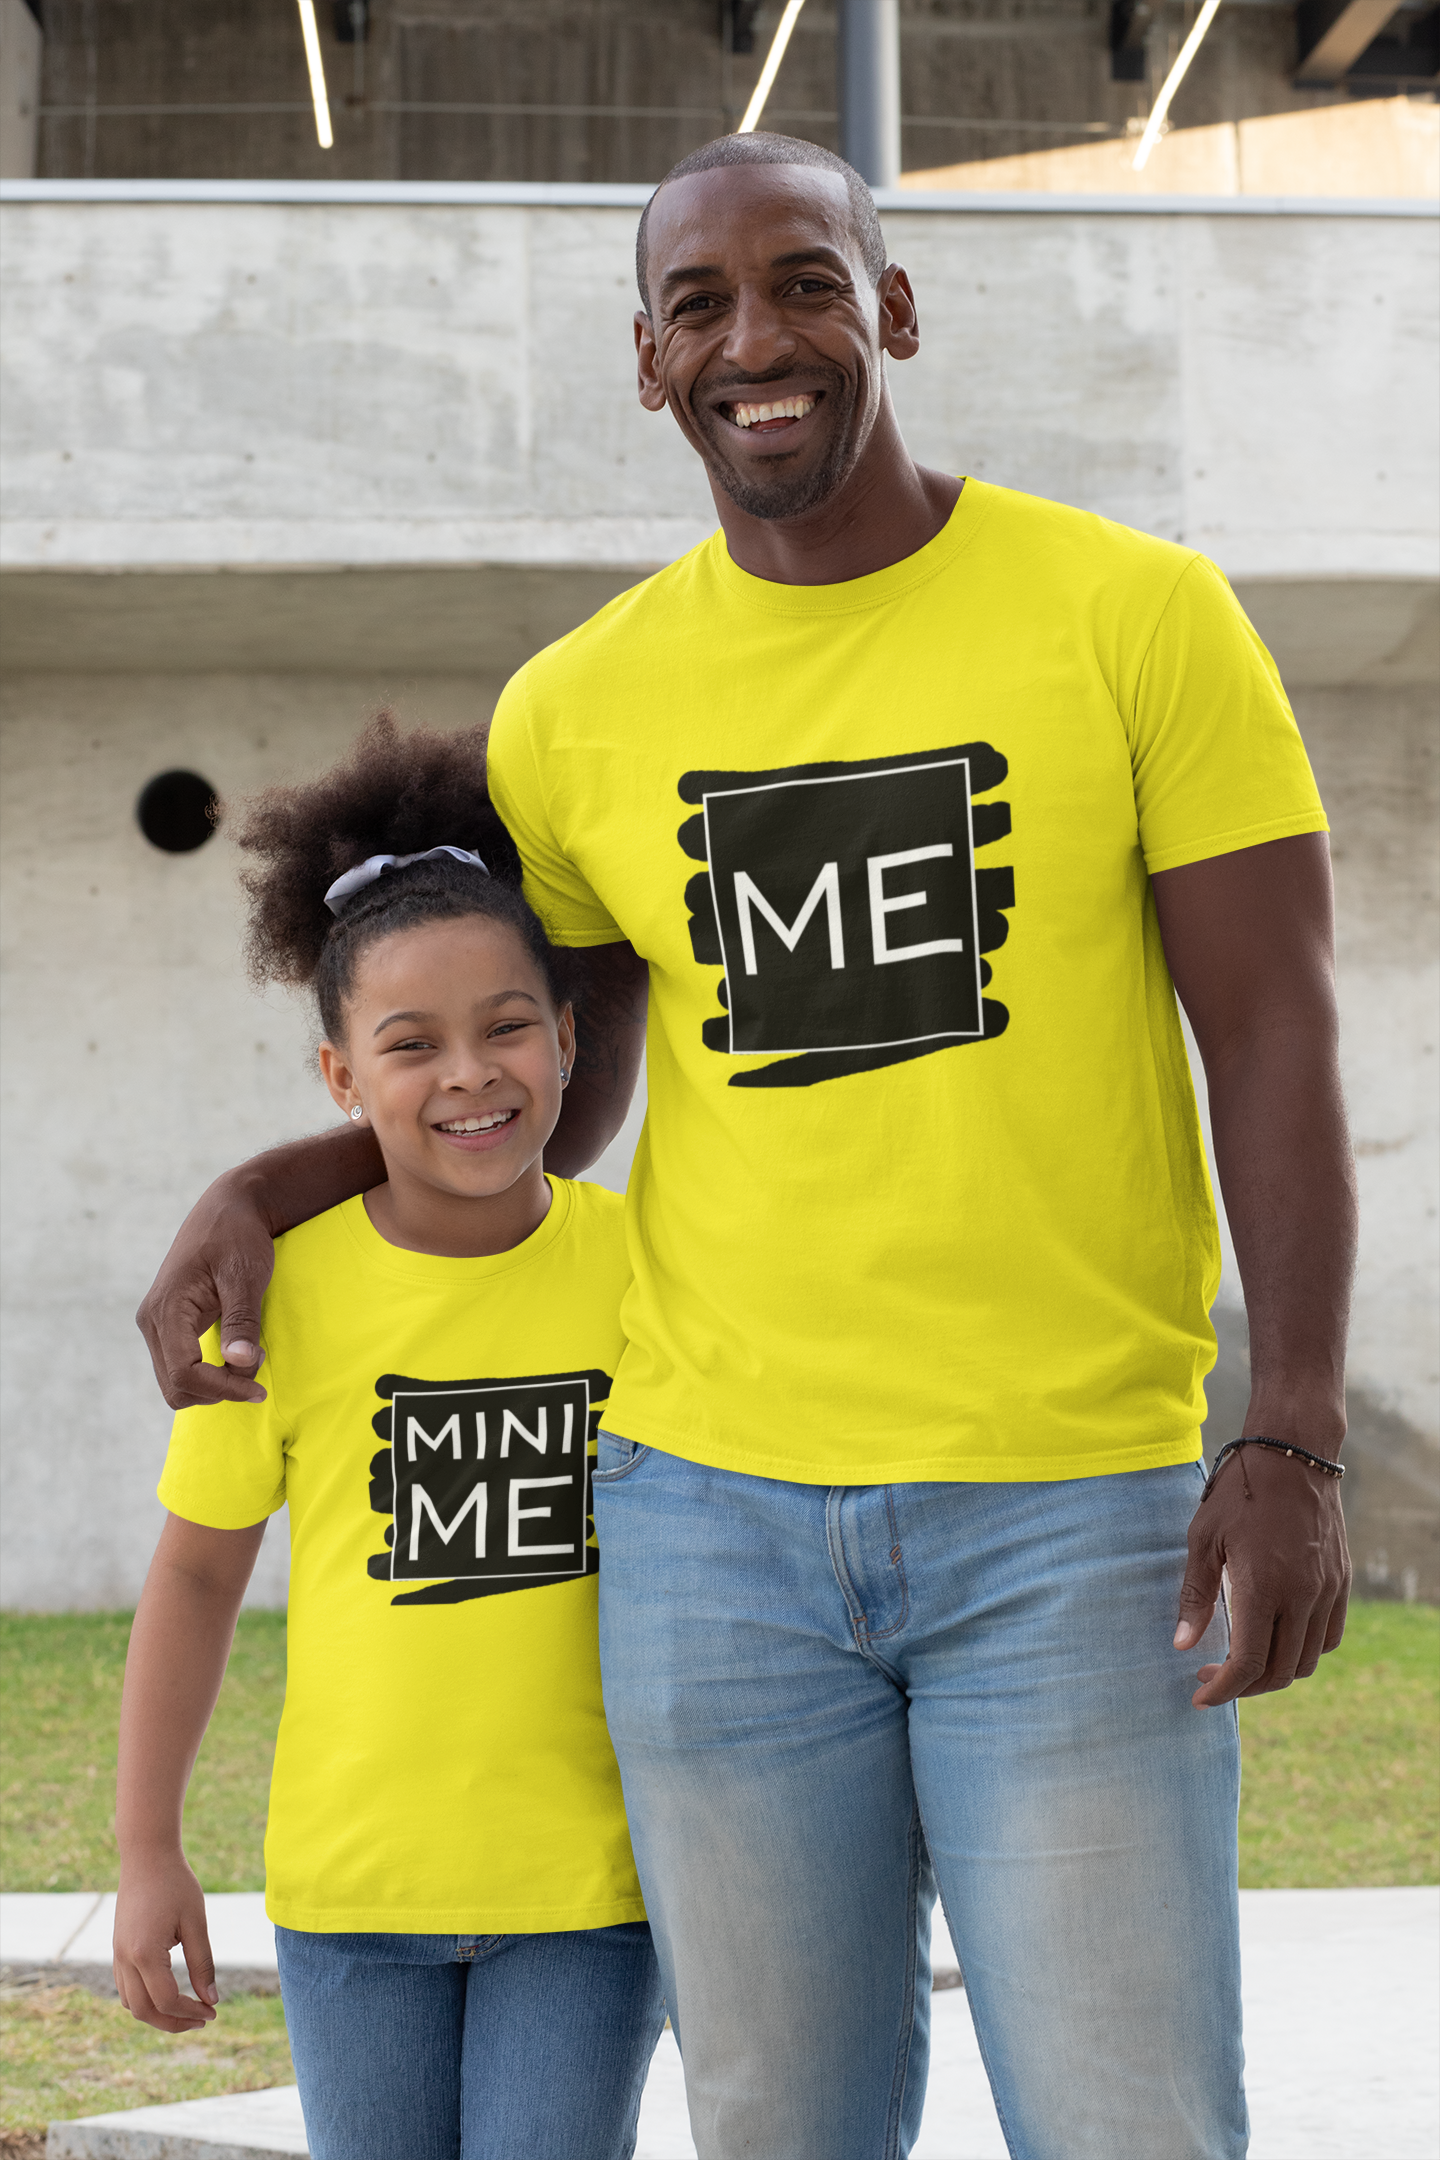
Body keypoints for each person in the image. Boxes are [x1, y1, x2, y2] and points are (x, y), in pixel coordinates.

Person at [137, 138, 1355, 2160]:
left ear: (892, 305)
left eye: (804, 281)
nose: (756, 340)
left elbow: (1276, 1036)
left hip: (1067, 1511)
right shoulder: (575, 713)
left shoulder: (1138, 616)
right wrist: (266, 1189)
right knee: (780, 2128)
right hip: (713, 1535)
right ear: (646, 363)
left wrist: (1292, 1426)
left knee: (1128, 2118)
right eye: (699, 306)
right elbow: (548, 1099)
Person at [114, 717, 666, 2160]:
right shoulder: (277, 1292)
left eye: (505, 1028)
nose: (469, 1076)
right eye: (409, 1044)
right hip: (354, 1900)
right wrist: (146, 1848)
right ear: (342, 1081)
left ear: (566, 1038)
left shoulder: (654, 1275)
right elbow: (191, 1579)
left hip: (591, 1897)